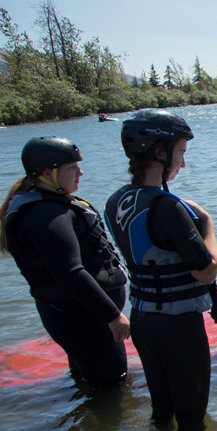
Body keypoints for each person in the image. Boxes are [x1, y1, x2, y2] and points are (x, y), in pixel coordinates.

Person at [104, 109, 217, 431]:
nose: (183, 163)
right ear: (159, 152)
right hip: (178, 327)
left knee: (161, 412)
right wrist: (207, 223)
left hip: (143, 320)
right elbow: (207, 272)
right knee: (191, 420)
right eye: (181, 153)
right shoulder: (167, 206)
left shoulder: (115, 200)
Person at [0, 136, 130, 388]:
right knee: (111, 388)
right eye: (71, 167)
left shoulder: (46, 204)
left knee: (88, 384)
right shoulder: (46, 215)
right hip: (85, 319)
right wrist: (113, 316)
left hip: (81, 317)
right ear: (47, 173)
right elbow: (70, 272)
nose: (80, 172)